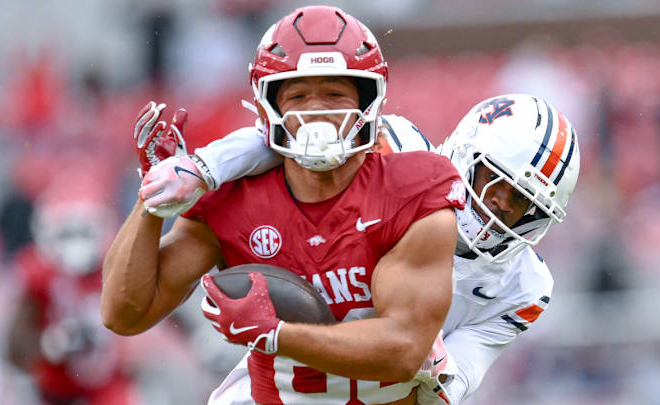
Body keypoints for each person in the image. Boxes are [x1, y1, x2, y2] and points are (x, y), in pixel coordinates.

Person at [101, 5, 465, 405]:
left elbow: (403, 349)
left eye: (334, 93)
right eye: (298, 94)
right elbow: (126, 313)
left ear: (368, 102)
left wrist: (278, 334)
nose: (316, 111)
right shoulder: (234, 198)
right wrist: (153, 199)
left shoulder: (413, 187)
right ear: (268, 104)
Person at [139, 91, 580, 405]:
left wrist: (432, 361)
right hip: (289, 381)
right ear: (466, 156)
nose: (499, 206)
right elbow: (285, 137)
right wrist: (204, 168)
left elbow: (456, 383)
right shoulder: (400, 150)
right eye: (495, 183)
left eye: (522, 202)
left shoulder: (525, 286)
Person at [7, 173, 136, 404]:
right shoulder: (39, 273)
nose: (75, 245)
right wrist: (48, 343)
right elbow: (12, 350)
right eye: (66, 233)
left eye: (83, 232)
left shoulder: (117, 267)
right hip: (54, 392)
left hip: (108, 388)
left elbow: (161, 314)